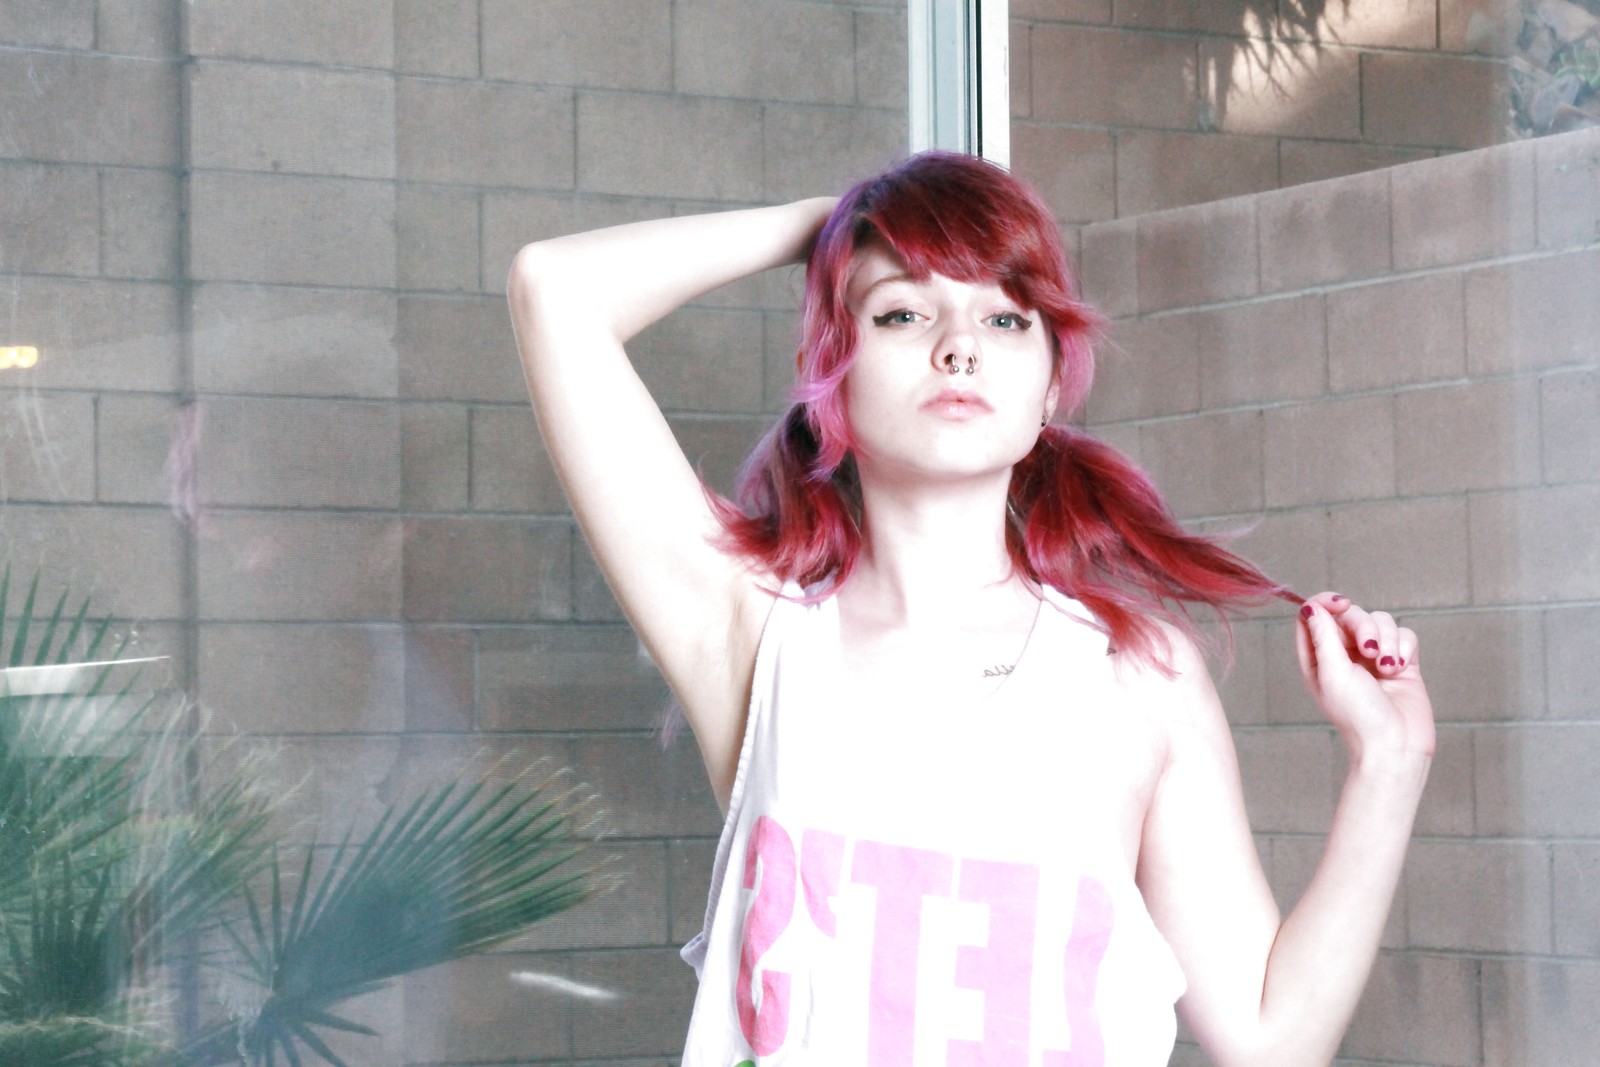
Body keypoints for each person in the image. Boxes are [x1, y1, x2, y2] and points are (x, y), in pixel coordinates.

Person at [506, 152, 1434, 1067]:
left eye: (1004, 316)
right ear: (829, 369)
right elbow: (555, 290)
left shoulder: (1136, 671)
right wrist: (830, 223)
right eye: (902, 311)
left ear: (1051, 385)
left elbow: (1272, 1042)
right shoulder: (754, 631)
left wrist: (1390, 762)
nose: (960, 346)